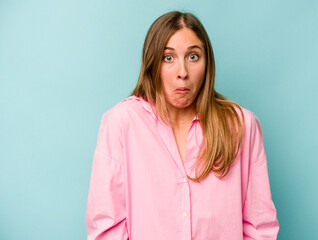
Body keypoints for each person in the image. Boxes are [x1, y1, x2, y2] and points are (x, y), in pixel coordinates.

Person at [86, 11, 279, 240]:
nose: (182, 73)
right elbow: (106, 229)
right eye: (168, 58)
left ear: (207, 63)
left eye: (193, 56)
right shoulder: (122, 123)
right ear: (152, 65)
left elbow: (259, 228)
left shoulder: (243, 126)